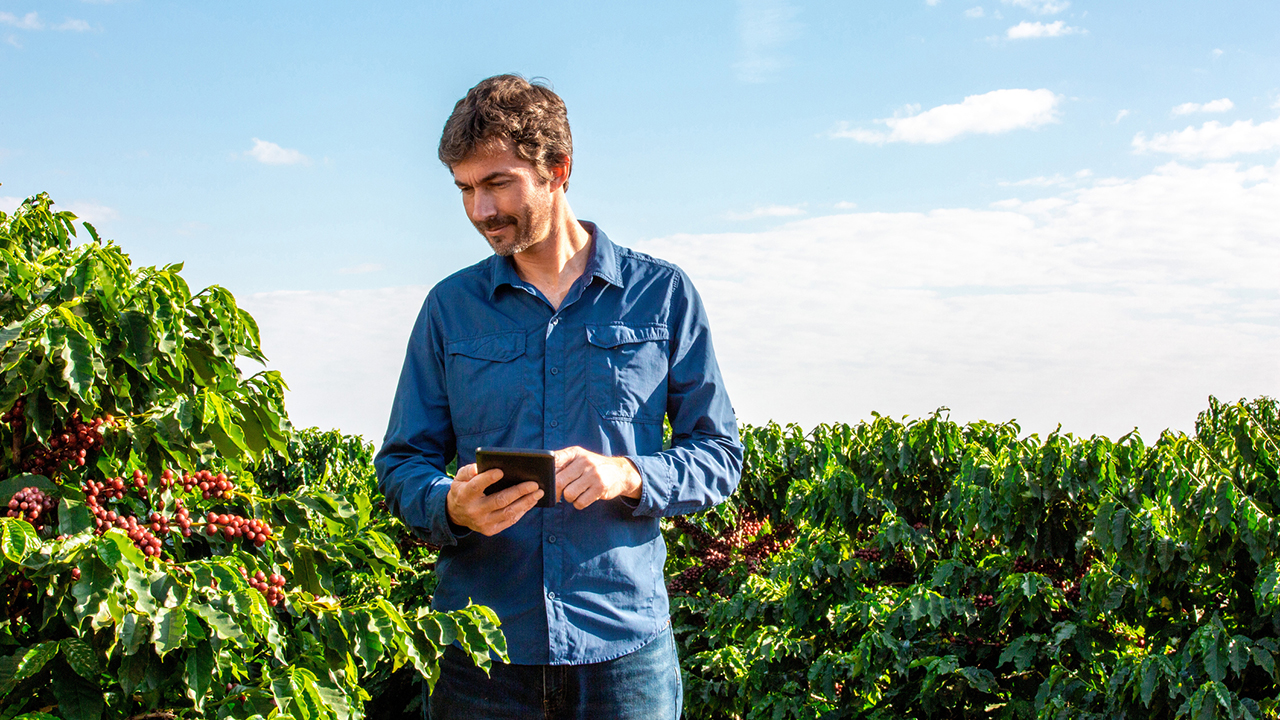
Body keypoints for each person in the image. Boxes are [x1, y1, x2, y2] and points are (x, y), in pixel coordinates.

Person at [375, 74, 743, 720]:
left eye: (498, 184)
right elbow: (402, 463)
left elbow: (719, 455)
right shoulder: (449, 309)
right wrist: (449, 505)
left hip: (623, 651)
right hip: (481, 650)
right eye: (465, 189)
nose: (480, 211)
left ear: (558, 170)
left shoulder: (662, 295)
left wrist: (628, 473)